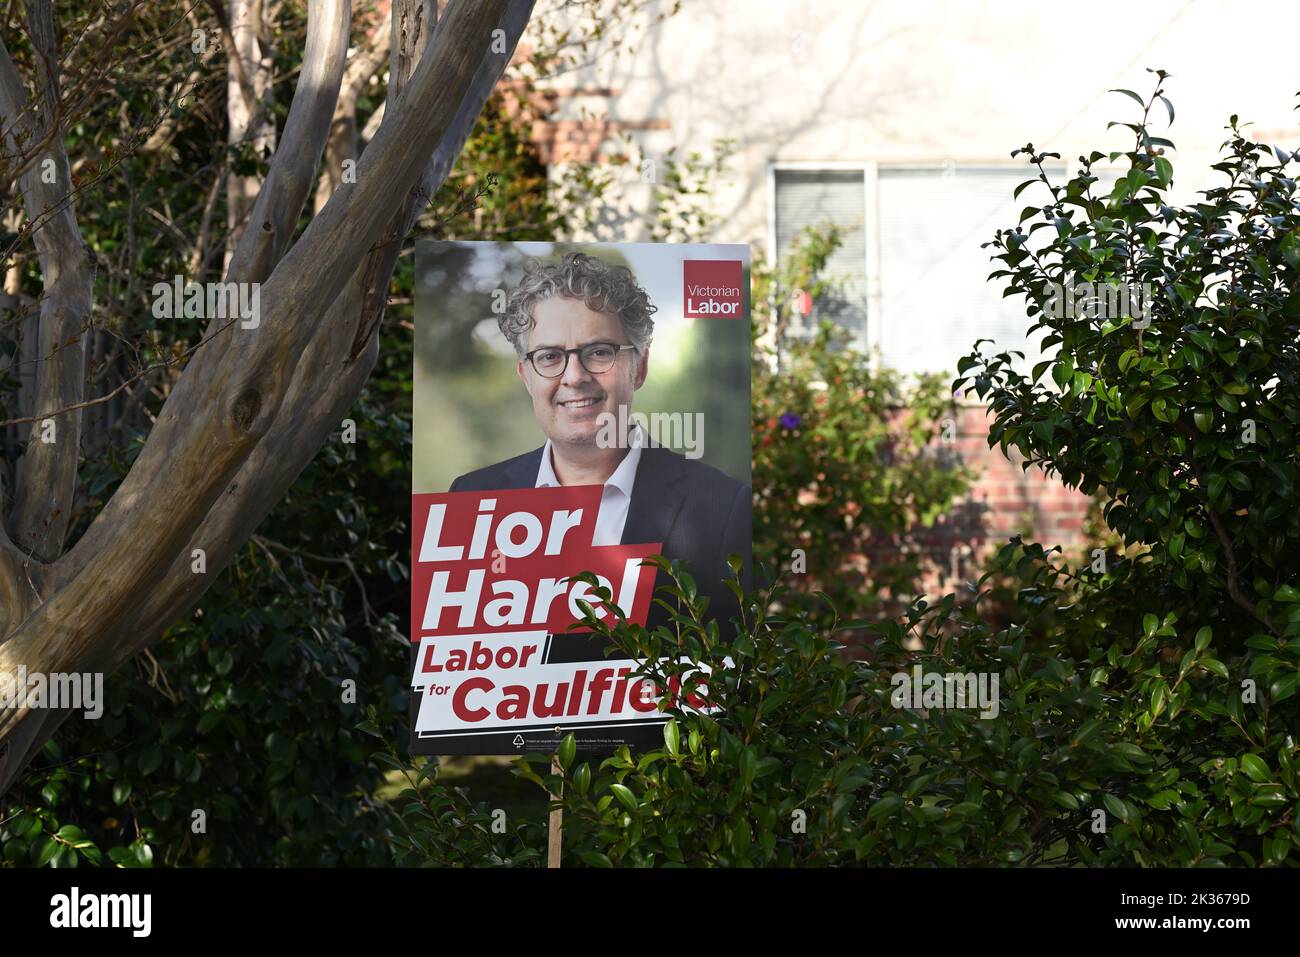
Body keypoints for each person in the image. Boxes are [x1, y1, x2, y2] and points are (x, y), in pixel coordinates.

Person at [450, 252, 751, 642]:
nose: (574, 377)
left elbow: (737, 680)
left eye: (598, 352)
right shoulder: (471, 501)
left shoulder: (724, 509)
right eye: (549, 357)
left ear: (638, 368)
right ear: (526, 376)